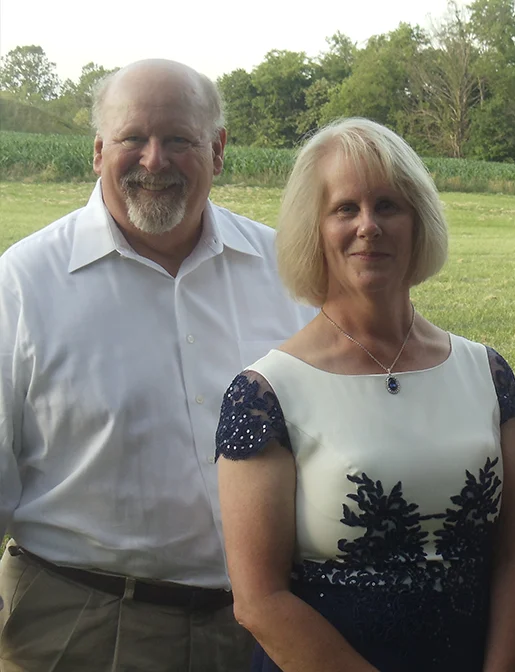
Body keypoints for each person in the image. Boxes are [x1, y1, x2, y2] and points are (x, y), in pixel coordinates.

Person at [0, 60, 313, 670]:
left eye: (178, 139)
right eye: (131, 139)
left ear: (219, 150)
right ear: (97, 152)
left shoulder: (288, 273)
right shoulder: (23, 284)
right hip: (81, 627)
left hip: (268, 631)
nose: (154, 160)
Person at [214, 117, 515, 672]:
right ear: (312, 229)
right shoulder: (265, 394)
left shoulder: (487, 372)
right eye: (345, 208)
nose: (369, 226)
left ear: (418, 221)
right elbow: (259, 602)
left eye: (388, 205)